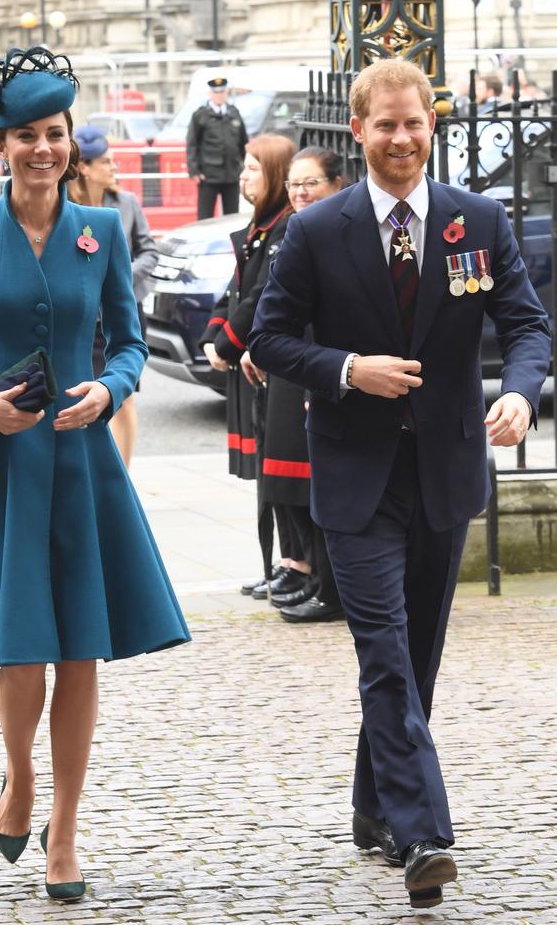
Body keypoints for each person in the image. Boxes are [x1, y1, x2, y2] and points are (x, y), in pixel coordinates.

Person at [249, 58, 550, 910]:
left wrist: (521, 397)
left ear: (431, 124)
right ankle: (423, 834)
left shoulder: (478, 221)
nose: (401, 139)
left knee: (415, 659)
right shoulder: (316, 231)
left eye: (413, 123)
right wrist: (348, 368)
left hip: (445, 469)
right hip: (354, 474)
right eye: (384, 125)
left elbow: (526, 325)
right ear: (359, 131)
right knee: (382, 652)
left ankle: (373, 803)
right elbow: (268, 342)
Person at [0, 46, 190, 903]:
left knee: (80, 648)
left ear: (72, 143)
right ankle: (19, 780)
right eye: (27, 135)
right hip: (0, 461)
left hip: (81, 461)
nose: (44, 148)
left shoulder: (101, 230)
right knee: (21, 646)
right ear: (0, 145)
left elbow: (133, 342)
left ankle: (64, 829)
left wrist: (108, 391)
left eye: (56, 134)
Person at [240, 146, 345, 622]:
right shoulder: (297, 231)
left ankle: (329, 587)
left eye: (312, 183)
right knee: (291, 484)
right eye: (295, 184)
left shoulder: (338, 231)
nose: (300, 192)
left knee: (321, 489)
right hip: (295, 367)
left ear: (337, 184)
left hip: (326, 372)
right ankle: (308, 572)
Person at [198, 134, 295, 590]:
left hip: (276, 365)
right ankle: (287, 564)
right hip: (256, 367)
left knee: (285, 477)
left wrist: (227, 344)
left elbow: (262, 296)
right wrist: (211, 335)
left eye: (253, 167)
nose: (243, 175)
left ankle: (299, 564)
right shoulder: (260, 227)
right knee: (270, 477)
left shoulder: (285, 227)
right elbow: (234, 289)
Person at [67, 123, 160, 466]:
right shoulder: (64, 208)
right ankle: (90, 469)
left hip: (124, 313)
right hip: (82, 320)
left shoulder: (127, 202)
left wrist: (118, 278)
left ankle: (122, 474)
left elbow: (149, 251)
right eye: (105, 161)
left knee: (123, 398)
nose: (113, 167)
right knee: (81, 396)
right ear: (85, 168)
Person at [186, 76, 248, 220]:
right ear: (210, 94)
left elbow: (243, 142)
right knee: (205, 216)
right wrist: (194, 170)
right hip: (209, 174)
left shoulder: (234, 113)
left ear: (226, 93)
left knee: (232, 215)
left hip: (231, 173)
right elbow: (192, 143)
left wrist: (244, 167)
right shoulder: (200, 115)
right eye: (216, 92)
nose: (220, 95)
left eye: (222, 92)